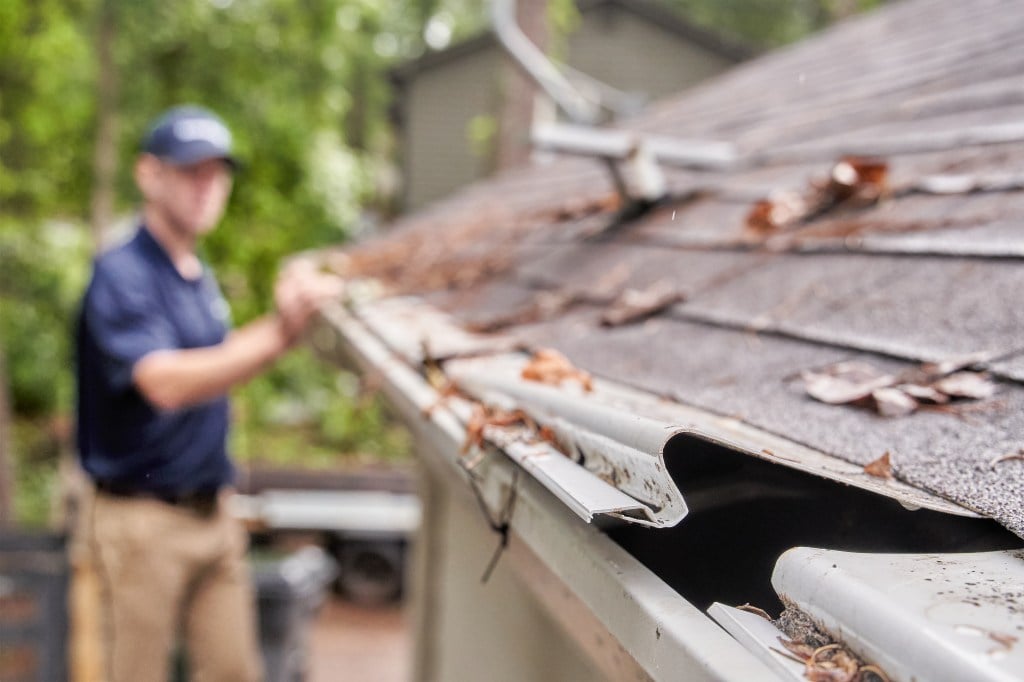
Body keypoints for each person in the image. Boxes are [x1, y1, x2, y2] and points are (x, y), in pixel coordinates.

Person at [73, 105, 341, 681]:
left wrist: (286, 324)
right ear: (149, 174)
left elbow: (219, 360)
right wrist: (279, 330)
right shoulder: (122, 274)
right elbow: (165, 382)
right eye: (191, 171)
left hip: (213, 518)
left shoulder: (196, 273)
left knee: (232, 671)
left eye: (217, 174)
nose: (207, 187)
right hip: (143, 524)